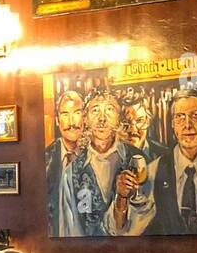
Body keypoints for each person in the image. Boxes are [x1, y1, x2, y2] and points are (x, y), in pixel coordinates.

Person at [60, 89, 146, 237]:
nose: (102, 119)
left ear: (119, 118)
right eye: (95, 111)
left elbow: (147, 218)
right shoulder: (72, 171)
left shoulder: (137, 159)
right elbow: (69, 229)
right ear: (85, 119)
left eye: (109, 110)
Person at [147, 90, 197, 235]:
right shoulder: (153, 170)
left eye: (195, 115)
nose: (187, 125)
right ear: (172, 124)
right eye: (180, 117)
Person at [44, 90, 84, 234]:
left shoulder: (96, 156)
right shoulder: (45, 159)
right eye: (65, 114)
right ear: (56, 120)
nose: (72, 122)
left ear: (85, 118)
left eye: (77, 113)